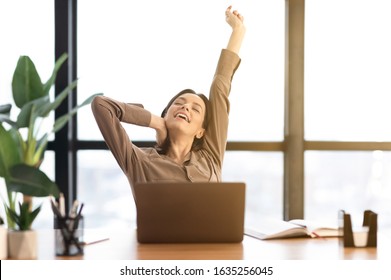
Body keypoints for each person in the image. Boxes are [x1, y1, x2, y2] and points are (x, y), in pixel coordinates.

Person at [91, 6, 245, 198]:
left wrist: (238, 31)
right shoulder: (139, 160)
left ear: (201, 132)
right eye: (179, 103)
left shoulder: (210, 157)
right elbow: (101, 105)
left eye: (195, 109)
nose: (186, 107)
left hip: (212, 230)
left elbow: (220, 86)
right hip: (160, 230)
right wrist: (157, 123)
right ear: (165, 114)